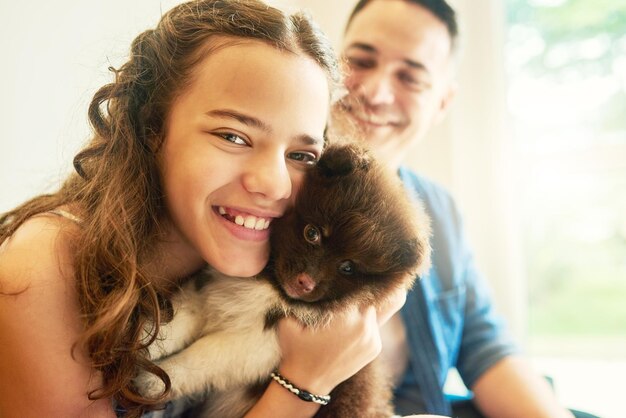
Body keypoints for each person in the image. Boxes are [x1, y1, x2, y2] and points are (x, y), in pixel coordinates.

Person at [0, 1, 409, 417]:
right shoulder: (42, 269)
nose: (272, 184)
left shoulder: (264, 260)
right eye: (233, 136)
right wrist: (305, 384)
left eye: (301, 155)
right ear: (152, 128)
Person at [331, 0, 583, 417]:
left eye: (409, 77)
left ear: (442, 104)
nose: (375, 93)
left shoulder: (438, 209)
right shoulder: (279, 194)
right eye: (360, 60)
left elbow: (485, 344)